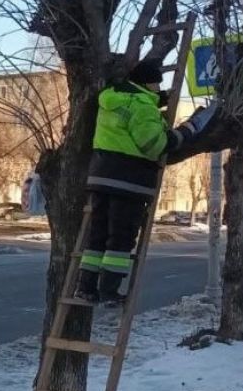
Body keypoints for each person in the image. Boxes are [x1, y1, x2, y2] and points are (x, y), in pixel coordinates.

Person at [75, 58, 217, 306]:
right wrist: (185, 131)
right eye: (155, 86)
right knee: (120, 239)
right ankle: (109, 291)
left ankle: (85, 288)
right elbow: (154, 146)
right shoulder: (143, 107)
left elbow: (131, 114)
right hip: (129, 181)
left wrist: (159, 101)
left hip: (101, 178)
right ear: (150, 84)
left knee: (96, 237)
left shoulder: (111, 97)